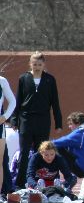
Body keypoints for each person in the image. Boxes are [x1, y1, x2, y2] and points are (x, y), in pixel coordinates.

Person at [11, 51, 63, 189]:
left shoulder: (50, 80)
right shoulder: (23, 78)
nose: (37, 67)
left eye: (39, 64)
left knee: (41, 152)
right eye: (34, 64)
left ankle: (38, 182)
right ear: (30, 64)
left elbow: (55, 102)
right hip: (26, 119)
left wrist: (58, 122)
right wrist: (14, 120)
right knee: (24, 152)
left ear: (43, 64)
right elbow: (18, 100)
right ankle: (20, 183)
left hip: (43, 120)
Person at [52, 112, 84, 178]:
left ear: (78, 123)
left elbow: (58, 142)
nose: (69, 126)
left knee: (57, 148)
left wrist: (43, 144)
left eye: (71, 124)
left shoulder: (81, 132)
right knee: (69, 145)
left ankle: (56, 175)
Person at [0, 74, 16, 203]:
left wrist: (5, 116)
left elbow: (12, 101)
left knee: (0, 161)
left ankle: (0, 193)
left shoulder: (1, 81)